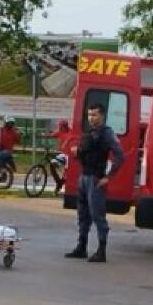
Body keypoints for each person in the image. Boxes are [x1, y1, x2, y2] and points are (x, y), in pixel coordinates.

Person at [65, 104, 124, 263]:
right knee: (82, 214)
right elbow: (87, 153)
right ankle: (81, 247)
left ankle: (101, 251)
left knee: (98, 215)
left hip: (95, 179)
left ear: (102, 116)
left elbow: (120, 155)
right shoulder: (90, 133)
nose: (91, 118)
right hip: (84, 177)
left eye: (95, 115)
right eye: (90, 115)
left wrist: (108, 177)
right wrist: (77, 152)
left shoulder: (107, 133)